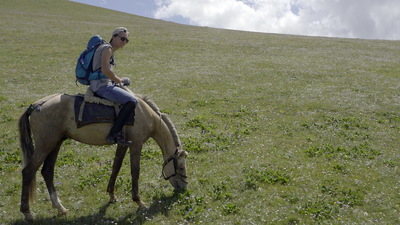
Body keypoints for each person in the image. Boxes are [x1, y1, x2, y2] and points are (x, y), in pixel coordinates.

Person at [89, 27, 137, 146]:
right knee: (131, 101)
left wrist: (118, 81)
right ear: (114, 36)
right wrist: (118, 80)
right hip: (101, 86)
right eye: (122, 38)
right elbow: (105, 70)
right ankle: (114, 133)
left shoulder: (108, 50)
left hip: (104, 83)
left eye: (126, 40)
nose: (124, 41)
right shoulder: (107, 49)